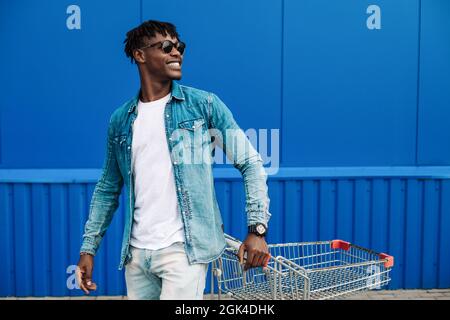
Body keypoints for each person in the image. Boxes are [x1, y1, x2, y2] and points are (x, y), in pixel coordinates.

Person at [76, 20, 271, 300]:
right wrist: (88, 249)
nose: (176, 52)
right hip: (137, 255)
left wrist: (257, 229)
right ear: (140, 55)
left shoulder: (204, 105)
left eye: (179, 47)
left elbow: (250, 162)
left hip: (184, 252)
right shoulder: (121, 120)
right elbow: (108, 188)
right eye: (166, 47)